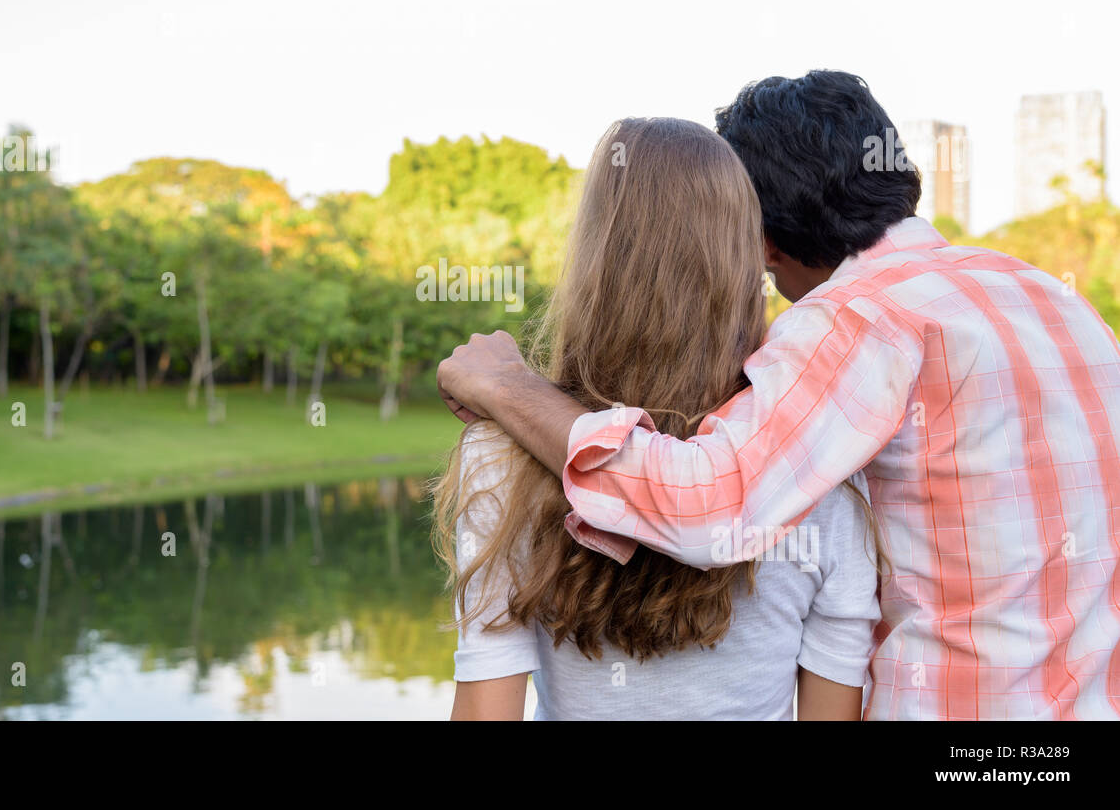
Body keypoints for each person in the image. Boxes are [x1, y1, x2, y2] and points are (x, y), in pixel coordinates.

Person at [436, 71, 1120, 720]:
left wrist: (509, 387)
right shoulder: (1059, 304)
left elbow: (708, 504)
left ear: (759, 237)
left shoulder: (851, 320)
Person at [433, 117, 882, 720]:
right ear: (744, 261)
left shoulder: (501, 458)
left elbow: (487, 710)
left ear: (593, 255)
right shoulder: (820, 475)